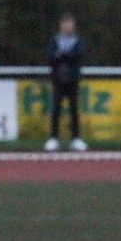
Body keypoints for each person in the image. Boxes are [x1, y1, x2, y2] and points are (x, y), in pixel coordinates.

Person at [45, 14, 88, 151]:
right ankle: (54, 138)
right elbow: (51, 56)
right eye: (65, 24)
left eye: (69, 24)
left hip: (73, 80)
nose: (67, 27)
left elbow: (78, 55)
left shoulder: (78, 41)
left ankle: (76, 138)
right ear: (61, 26)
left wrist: (62, 55)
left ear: (73, 26)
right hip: (58, 79)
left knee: (74, 109)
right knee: (56, 109)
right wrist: (64, 56)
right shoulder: (55, 41)